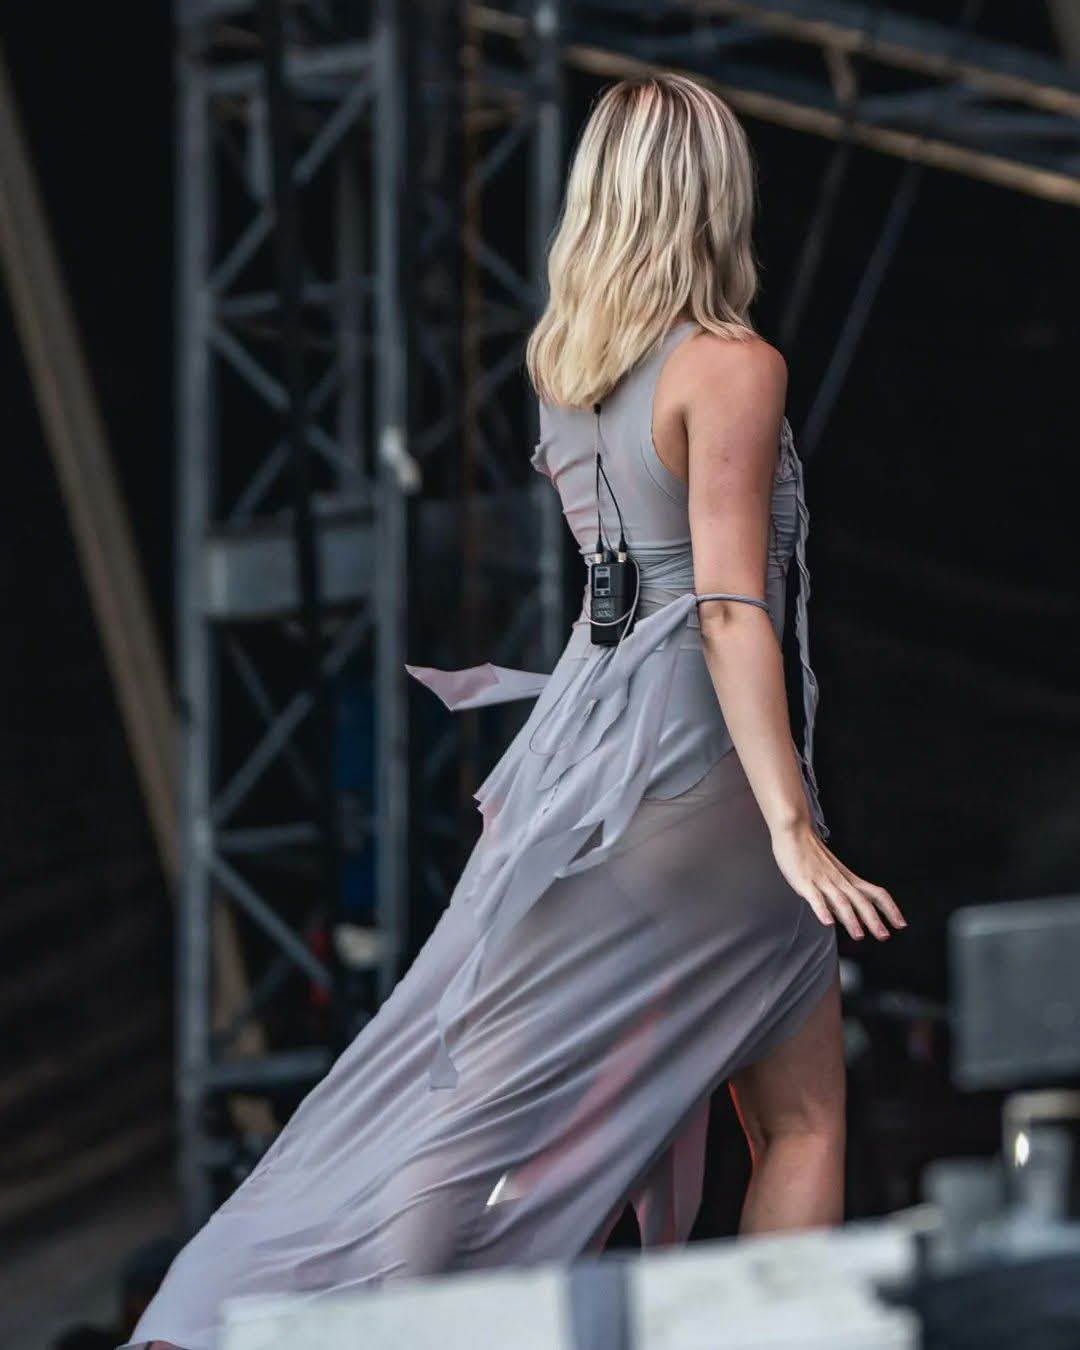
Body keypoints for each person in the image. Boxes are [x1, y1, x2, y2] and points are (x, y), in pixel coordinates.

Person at [123, 72, 905, 1350]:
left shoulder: (568, 369)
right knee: (803, 1120)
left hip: (581, 759)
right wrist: (790, 826)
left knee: (473, 1090)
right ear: (715, 195)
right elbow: (723, 607)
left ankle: (298, 1315)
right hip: (702, 763)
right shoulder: (732, 367)